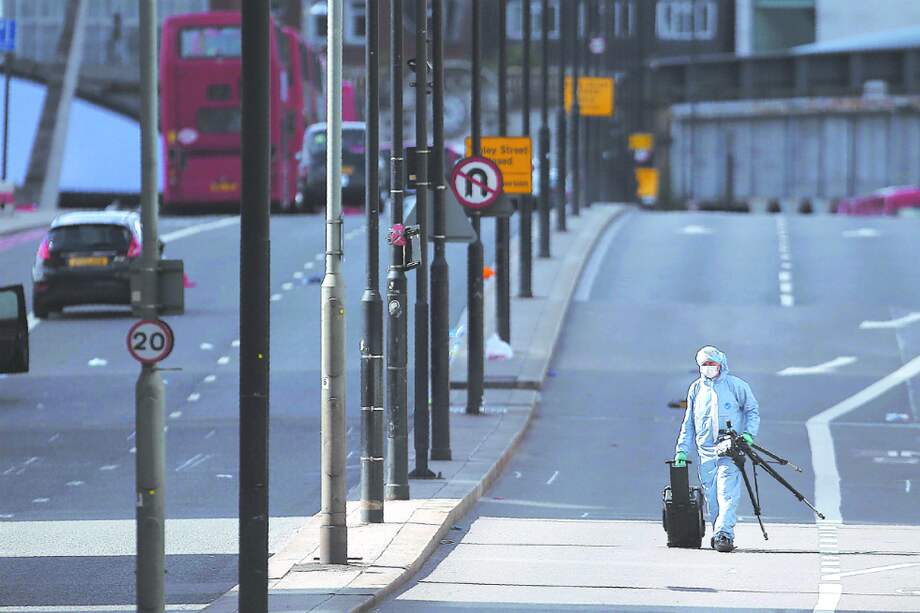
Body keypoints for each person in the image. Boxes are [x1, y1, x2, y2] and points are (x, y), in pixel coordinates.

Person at [674, 346, 760, 552]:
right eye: (705, 364)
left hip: (730, 450)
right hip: (706, 452)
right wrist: (682, 450)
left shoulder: (736, 386)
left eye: (712, 363)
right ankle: (718, 533)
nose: (709, 368)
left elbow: (752, 411)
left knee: (726, 492)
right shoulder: (696, 389)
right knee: (712, 495)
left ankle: (725, 533)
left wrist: (748, 434)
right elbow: (689, 423)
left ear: (721, 364)